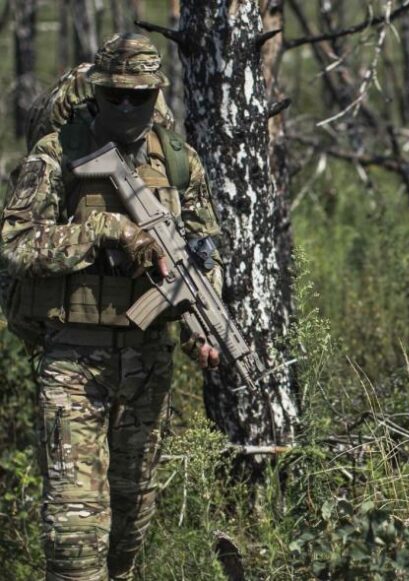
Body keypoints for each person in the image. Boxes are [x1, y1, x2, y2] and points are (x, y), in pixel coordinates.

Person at [2, 33, 221, 580]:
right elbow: (15, 243)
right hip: (74, 362)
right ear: (96, 92)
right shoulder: (58, 154)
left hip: (148, 365)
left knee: (129, 528)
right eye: (114, 95)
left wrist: (203, 326)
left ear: (156, 95)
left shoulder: (178, 163)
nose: (126, 106)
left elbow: (205, 250)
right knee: (77, 541)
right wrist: (105, 231)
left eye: (138, 97)